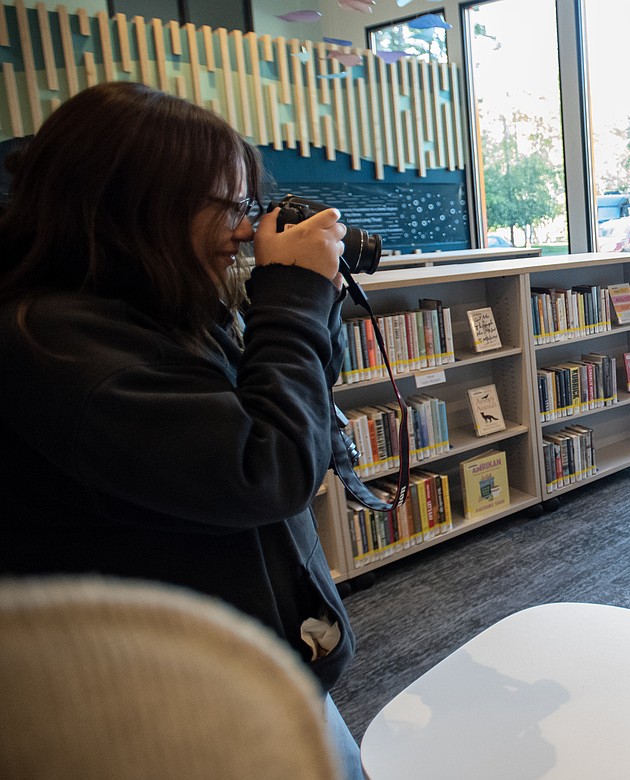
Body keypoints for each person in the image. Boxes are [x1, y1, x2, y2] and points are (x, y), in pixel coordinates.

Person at [0, 83, 364, 778]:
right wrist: (292, 300)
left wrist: (314, 304)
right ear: (135, 204)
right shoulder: (53, 345)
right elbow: (271, 469)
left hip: (246, 671)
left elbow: (304, 413)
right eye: (229, 205)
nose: (244, 229)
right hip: (164, 718)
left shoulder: (156, 309)